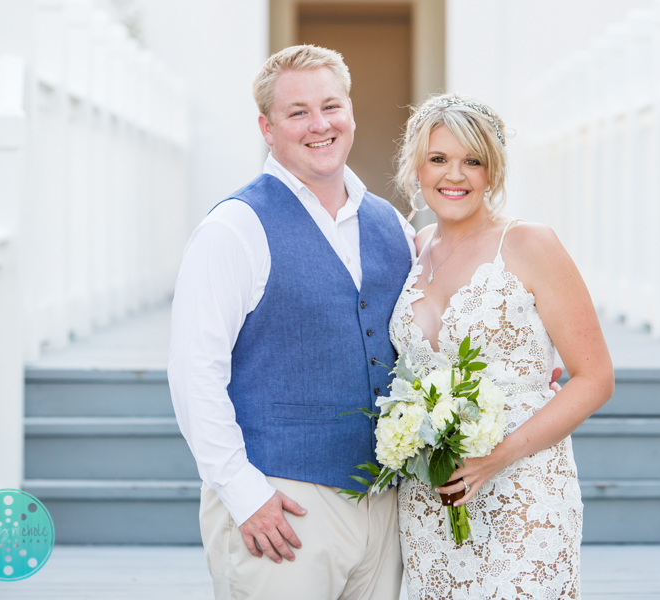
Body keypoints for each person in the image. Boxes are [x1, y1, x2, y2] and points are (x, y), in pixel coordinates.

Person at [167, 45, 416, 600]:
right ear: (267, 126)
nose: (319, 125)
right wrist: (243, 492)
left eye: (331, 106)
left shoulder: (393, 224)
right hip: (280, 505)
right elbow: (193, 372)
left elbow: (435, 322)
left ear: (350, 111)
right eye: (297, 112)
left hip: (385, 507)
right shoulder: (235, 227)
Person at [388, 94, 615, 599]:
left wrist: (495, 459)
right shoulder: (416, 248)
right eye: (439, 159)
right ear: (417, 168)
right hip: (432, 497)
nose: (456, 175)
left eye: (473, 160)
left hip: (524, 487)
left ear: (493, 171)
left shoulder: (531, 243)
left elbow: (595, 378)